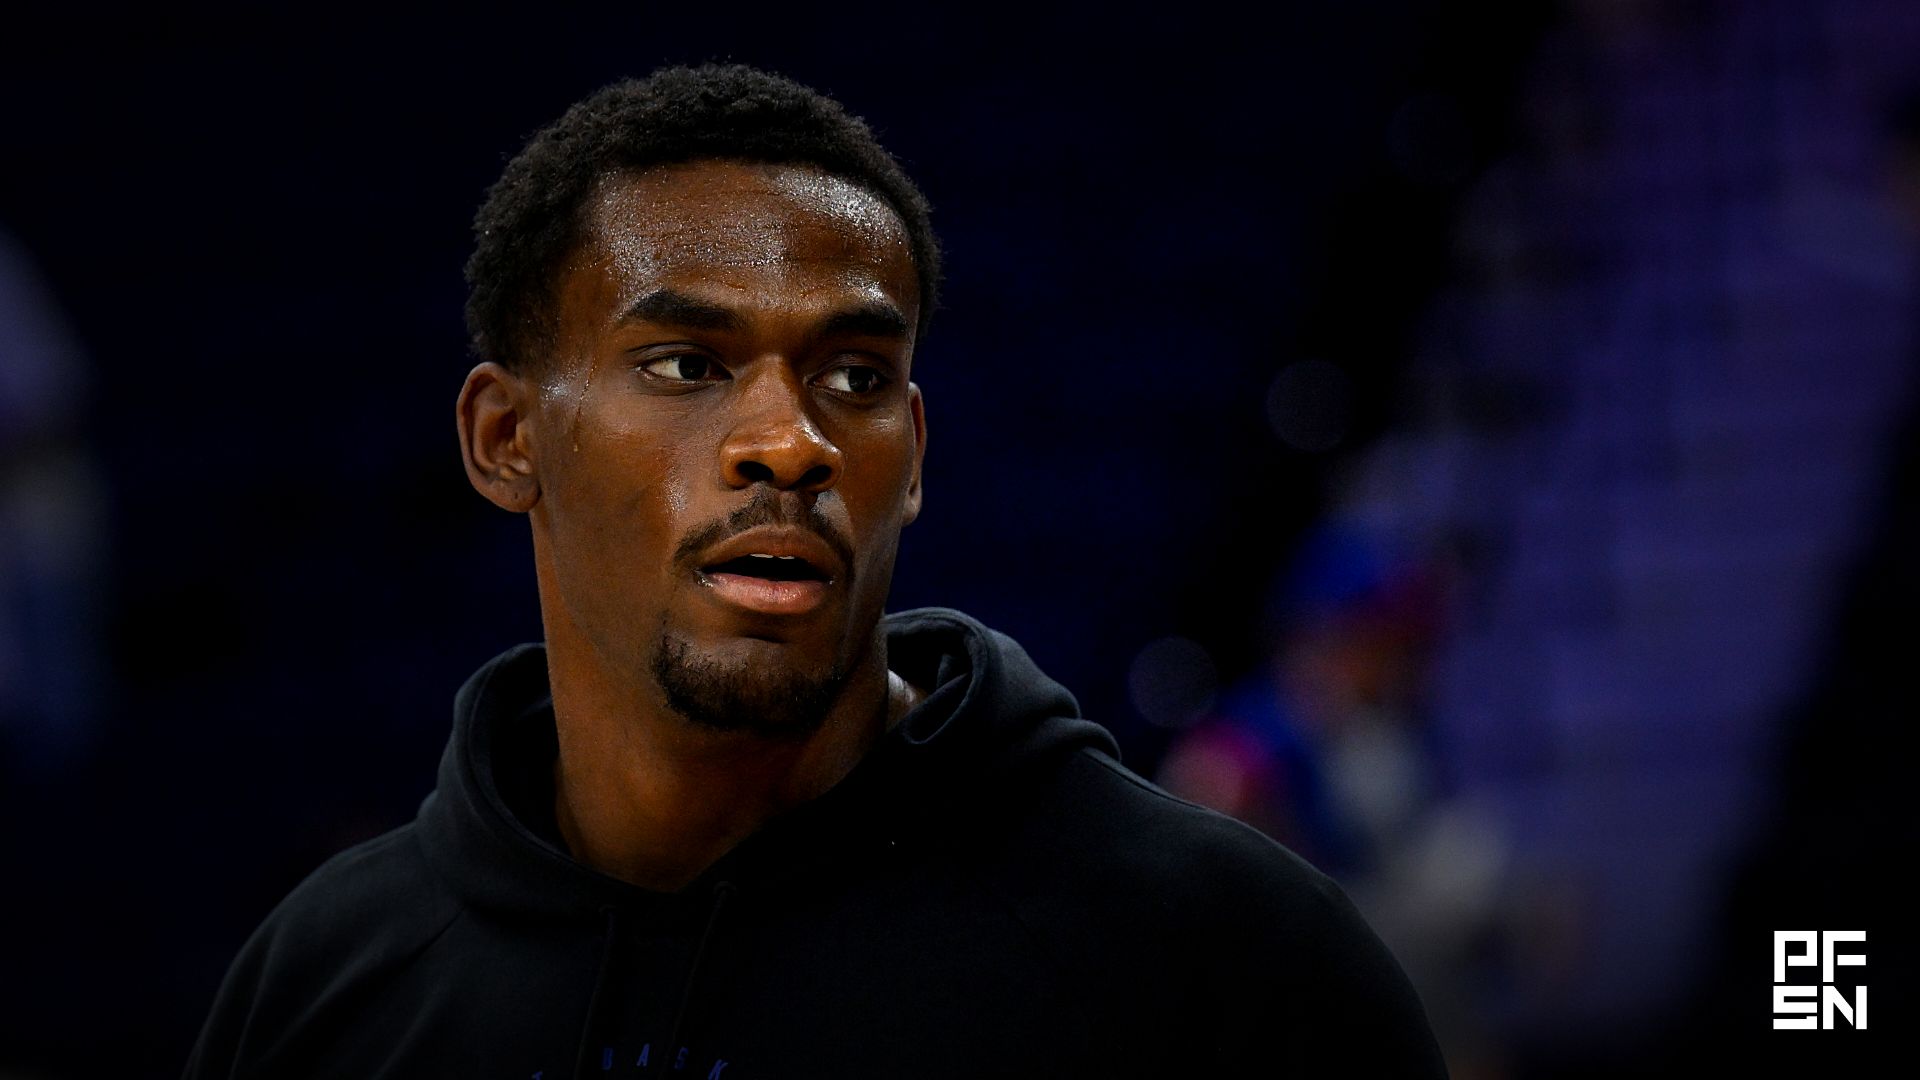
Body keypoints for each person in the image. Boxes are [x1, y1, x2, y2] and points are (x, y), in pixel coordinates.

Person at [185, 64, 1447, 1080]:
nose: (790, 442)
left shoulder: (1229, 968)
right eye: (685, 363)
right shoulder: (326, 982)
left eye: (855, 377)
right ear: (507, 441)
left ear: (910, 461)